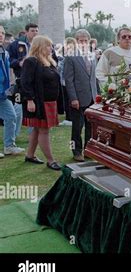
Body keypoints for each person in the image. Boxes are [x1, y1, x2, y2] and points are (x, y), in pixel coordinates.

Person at [21, 35, 62, 170]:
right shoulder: (31, 61)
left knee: (37, 130)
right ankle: (50, 161)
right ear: (40, 46)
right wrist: (30, 100)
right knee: (44, 131)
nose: (51, 48)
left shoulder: (48, 61)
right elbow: (26, 83)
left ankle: (30, 155)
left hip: (49, 102)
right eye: (48, 45)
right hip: (39, 102)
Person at [64, 29, 100, 162]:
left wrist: (98, 95)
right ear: (76, 41)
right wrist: (73, 98)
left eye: (85, 40)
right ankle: (76, 151)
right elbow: (68, 80)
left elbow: (93, 78)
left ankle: (88, 150)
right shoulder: (70, 56)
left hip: (92, 97)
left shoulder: (92, 55)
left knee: (91, 126)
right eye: (80, 40)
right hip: (78, 99)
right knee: (77, 127)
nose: (83, 43)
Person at [0, 25, 25, 157]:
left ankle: (9, 146)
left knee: (11, 116)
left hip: (3, 93)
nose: (1, 35)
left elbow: (8, 68)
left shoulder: (5, 51)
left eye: (2, 33)